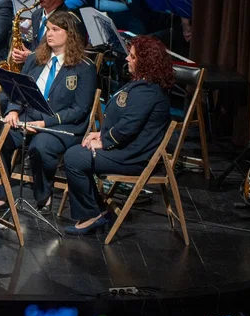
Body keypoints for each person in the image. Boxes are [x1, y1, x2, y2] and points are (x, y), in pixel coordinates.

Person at [62, 36, 173, 235]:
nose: (128, 60)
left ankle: (91, 214)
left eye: (133, 57)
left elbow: (128, 127)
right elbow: (122, 122)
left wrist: (104, 141)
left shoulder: (148, 92)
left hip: (133, 157)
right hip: (125, 149)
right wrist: (99, 134)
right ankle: (97, 210)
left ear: (146, 62)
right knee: (76, 152)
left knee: (74, 157)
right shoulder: (140, 85)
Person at [4, 10, 98, 210]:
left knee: (41, 145)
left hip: (62, 125)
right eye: (47, 29)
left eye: (55, 29)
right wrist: (12, 111)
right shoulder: (35, 59)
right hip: (30, 117)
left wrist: (45, 123)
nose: (49, 33)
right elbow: (18, 92)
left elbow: (79, 110)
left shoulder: (84, 68)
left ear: (70, 34)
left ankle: (43, 194)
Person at [11, 0, 88, 66]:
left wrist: (31, 57)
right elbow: (36, 46)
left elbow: (71, 57)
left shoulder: (71, 22)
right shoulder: (36, 14)